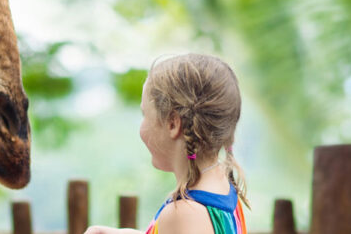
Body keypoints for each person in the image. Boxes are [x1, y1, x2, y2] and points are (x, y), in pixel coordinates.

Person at [86, 54, 249, 234]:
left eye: (145, 115)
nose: (142, 125)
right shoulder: (222, 184)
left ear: (173, 123)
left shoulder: (182, 215)